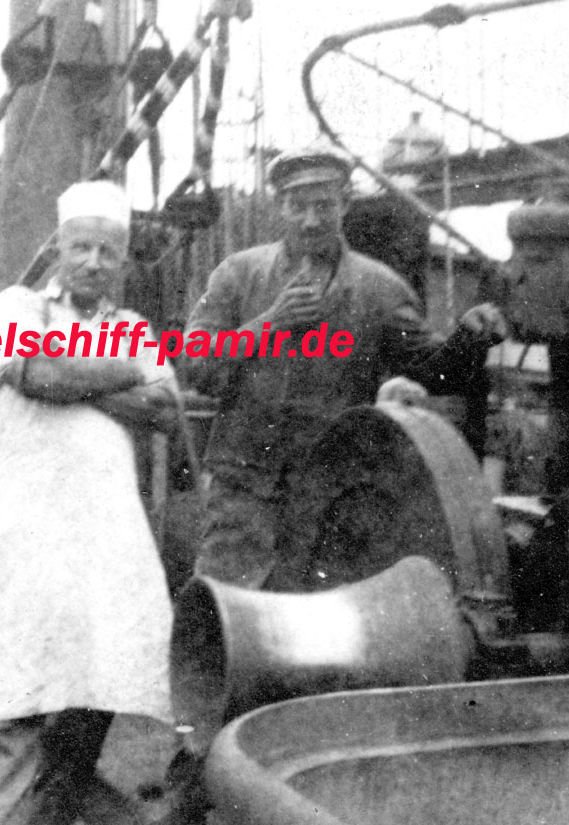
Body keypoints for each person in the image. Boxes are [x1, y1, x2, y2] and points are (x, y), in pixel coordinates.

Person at [184, 141, 507, 591]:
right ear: (279, 206)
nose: (311, 220)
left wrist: (468, 338)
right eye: (298, 206)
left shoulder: (379, 289)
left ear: (345, 203)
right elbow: (195, 363)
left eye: (324, 205)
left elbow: (431, 370)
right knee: (224, 609)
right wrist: (270, 323)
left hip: (331, 494)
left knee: (324, 617)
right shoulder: (237, 275)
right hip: (242, 490)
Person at [0, 180, 179, 825]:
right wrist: (124, 370)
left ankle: (60, 802)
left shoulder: (132, 326)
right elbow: (32, 374)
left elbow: (164, 409)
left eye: (107, 251)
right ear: (58, 248)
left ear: (123, 261)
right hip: (30, 528)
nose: (93, 261)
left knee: (103, 667)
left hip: (107, 532)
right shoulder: (16, 306)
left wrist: (66, 376)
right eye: (81, 247)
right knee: (17, 677)